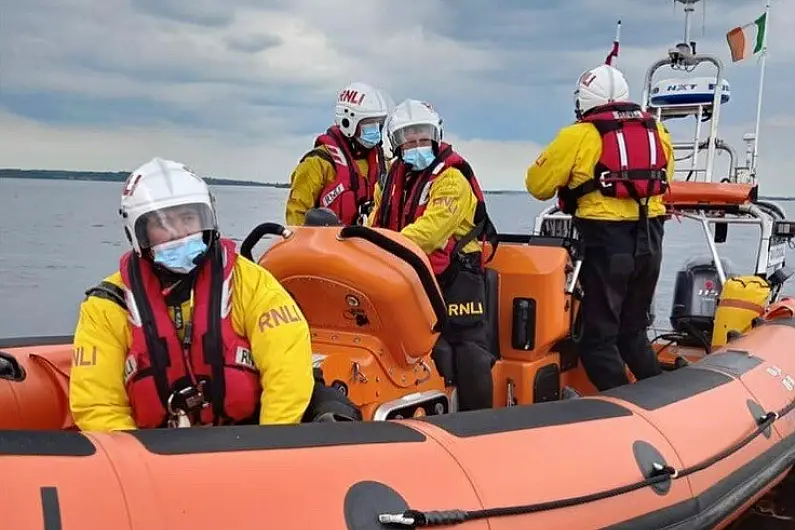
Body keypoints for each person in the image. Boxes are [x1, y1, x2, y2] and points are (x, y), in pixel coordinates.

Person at [69, 157, 316, 431]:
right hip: (152, 452)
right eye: (162, 224)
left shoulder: (252, 283)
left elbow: (288, 373)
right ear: (138, 233)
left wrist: (266, 449)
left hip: (246, 442)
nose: (179, 233)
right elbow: (98, 406)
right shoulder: (107, 306)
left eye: (188, 218)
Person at [525, 63, 675, 391]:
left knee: (596, 342)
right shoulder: (657, 132)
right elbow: (666, 180)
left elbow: (537, 185)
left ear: (583, 102)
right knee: (633, 332)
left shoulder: (578, 136)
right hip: (651, 241)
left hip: (606, 244)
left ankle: (630, 410)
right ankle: (662, 399)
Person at [370, 99, 499, 412]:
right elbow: (375, 218)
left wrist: (379, 245)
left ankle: (478, 422)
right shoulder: (391, 180)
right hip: (409, 274)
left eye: (423, 138)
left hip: (456, 277)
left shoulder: (452, 179)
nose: (416, 145)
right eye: (409, 140)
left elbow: (430, 232)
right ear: (397, 144)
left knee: (469, 351)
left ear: (436, 135)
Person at [285, 81, 393, 227]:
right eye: (369, 124)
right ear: (348, 122)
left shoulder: (384, 164)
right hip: (328, 246)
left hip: (372, 245)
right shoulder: (318, 164)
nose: (375, 130)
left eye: (379, 123)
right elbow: (296, 215)